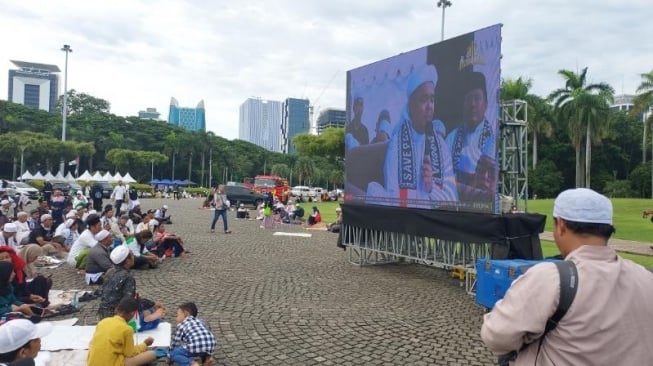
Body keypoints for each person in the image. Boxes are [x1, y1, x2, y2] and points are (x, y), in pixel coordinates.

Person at [481, 188, 653, 365]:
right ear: (608, 229)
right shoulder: (646, 278)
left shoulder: (551, 278)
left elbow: (495, 336)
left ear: (561, 225)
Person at [372, 64, 458, 208]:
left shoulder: (441, 147)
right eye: (423, 100)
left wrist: (431, 187)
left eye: (432, 99)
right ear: (410, 105)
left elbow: (453, 200)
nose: (429, 106)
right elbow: (393, 197)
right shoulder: (397, 145)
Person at [446, 71, 497, 203]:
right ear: (463, 104)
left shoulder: (494, 138)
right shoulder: (451, 138)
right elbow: (445, 178)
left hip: (485, 207)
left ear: (485, 104)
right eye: (469, 99)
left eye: (477, 98)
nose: (473, 104)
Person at [87, 296, 156, 366]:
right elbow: (129, 353)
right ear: (132, 313)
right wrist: (145, 344)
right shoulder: (127, 329)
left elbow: (92, 343)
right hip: (113, 363)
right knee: (151, 354)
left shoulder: (103, 322)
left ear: (117, 309)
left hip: (91, 363)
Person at [169, 302, 217, 366]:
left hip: (196, 343)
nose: (176, 318)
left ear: (186, 314)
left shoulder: (181, 325)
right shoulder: (200, 321)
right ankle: (208, 358)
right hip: (211, 342)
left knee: (174, 353)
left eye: (177, 315)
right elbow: (207, 330)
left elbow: (175, 342)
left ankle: (192, 364)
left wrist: (169, 355)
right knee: (202, 348)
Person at [97, 245, 136, 320]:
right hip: (116, 316)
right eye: (132, 255)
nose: (134, 257)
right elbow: (127, 301)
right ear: (127, 261)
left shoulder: (110, 271)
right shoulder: (128, 277)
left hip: (102, 313)